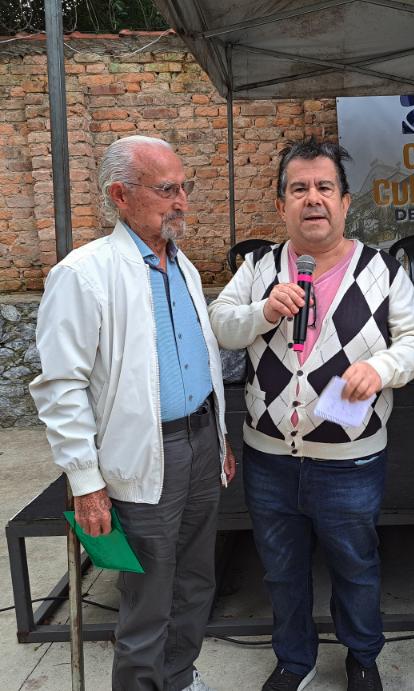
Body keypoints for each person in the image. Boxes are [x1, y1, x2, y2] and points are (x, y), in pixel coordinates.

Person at [208, 138, 414, 691]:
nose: (313, 199)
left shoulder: (382, 269)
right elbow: (220, 324)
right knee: (281, 569)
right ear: (282, 204)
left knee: (356, 566)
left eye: (324, 187)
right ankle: (294, 660)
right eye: (299, 188)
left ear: (345, 201)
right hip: (268, 458)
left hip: (350, 460)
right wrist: (262, 312)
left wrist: (382, 367)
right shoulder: (259, 268)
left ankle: (363, 657)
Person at [30, 135, 236, 691]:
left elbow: (198, 360)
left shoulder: (182, 265)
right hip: (145, 452)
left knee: (196, 581)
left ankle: (180, 677)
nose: (181, 202)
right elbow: (61, 387)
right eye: (167, 190)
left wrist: (218, 437)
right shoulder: (84, 273)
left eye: (184, 188)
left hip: (200, 444)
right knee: (149, 597)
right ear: (120, 195)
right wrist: (85, 481)